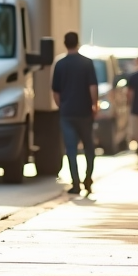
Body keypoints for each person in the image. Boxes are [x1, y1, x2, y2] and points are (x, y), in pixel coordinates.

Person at [51, 32, 98, 195]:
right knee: (88, 147)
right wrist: (94, 105)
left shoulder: (60, 64)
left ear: (65, 43)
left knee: (71, 148)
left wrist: (62, 106)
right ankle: (88, 178)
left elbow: (56, 92)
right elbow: (93, 87)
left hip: (67, 113)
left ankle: (76, 183)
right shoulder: (87, 63)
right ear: (77, 43)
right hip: (84, 112)